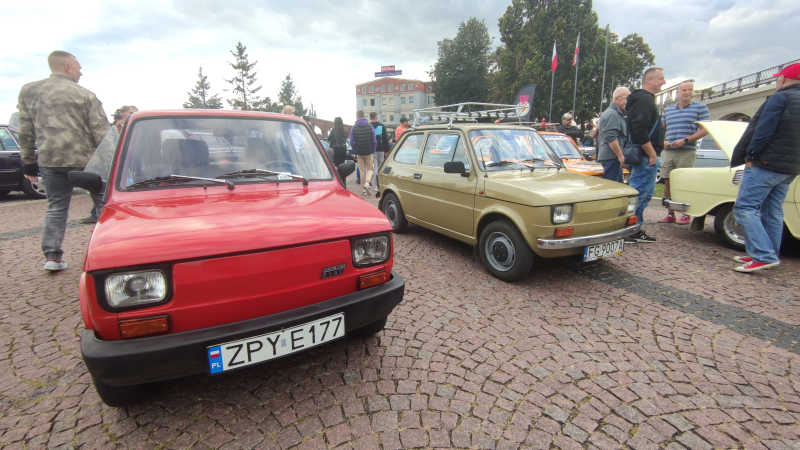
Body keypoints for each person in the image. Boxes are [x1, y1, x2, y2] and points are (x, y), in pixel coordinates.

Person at [17, 51, 110, 271]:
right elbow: (102, 134)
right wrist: (112, 162)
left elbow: (25, 129)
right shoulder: (85, 95)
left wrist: (29, 161)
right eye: (78, 68)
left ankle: (52, 257)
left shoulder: (29, 91)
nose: (81, 73)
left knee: (57, 207)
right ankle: (108, 251)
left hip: (51, 160)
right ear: (67, 67)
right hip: (86, 161)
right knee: (103, 205)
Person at [731, 63, 800, 273]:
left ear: (784, 79)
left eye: (778, 78)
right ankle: (766, 253)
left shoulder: (780, 97)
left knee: (744, 208)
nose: (777, 81)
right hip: (790, 167)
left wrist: (751, 155)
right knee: (772, 211)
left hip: (767, 164)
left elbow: (763, 129)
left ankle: (763, 254)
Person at [658, 80, 710, 224]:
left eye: (690, 90)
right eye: (684, 90)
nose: (687, 93)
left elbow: (704, 130)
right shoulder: (668, 110)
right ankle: (670, 213)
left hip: (686, 151)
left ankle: (685, 214)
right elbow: (661, 129)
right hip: (669, 151)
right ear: (678, 92)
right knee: (668, 182)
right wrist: (662, 141)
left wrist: (686, 140)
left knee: (684, 183)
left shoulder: (700, 108)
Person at [625, 67, 667, 244]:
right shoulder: (645, 100)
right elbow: (639, 129)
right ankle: (629, 229)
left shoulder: (642, 99)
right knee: (639, 193)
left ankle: (634, 227)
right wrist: (651, 153)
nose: (664, 82)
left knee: (645, 193)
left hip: (645, 153)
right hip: (646, 155)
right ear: (649, 80)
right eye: (661, 79)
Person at [596, 87, 631, 183]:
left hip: (613, 157)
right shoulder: (612, 114)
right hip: (612, 157)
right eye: (626, 98)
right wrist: (620, 156)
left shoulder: (616, 113)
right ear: (616, 98)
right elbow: (611, 137)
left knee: (617, 188)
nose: (628, 101)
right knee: (611, 189)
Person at [349, 110, 376, 196]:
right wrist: (373, 150)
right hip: (369, 151)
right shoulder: (370, 126)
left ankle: (364, 190)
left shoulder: (354, 128)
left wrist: (355, 150)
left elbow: (352, 141)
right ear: (364, 116)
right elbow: (374, 140)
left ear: (357, 116)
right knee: (371, 168)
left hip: (359, 152)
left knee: (362, 170)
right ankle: (367, 183)